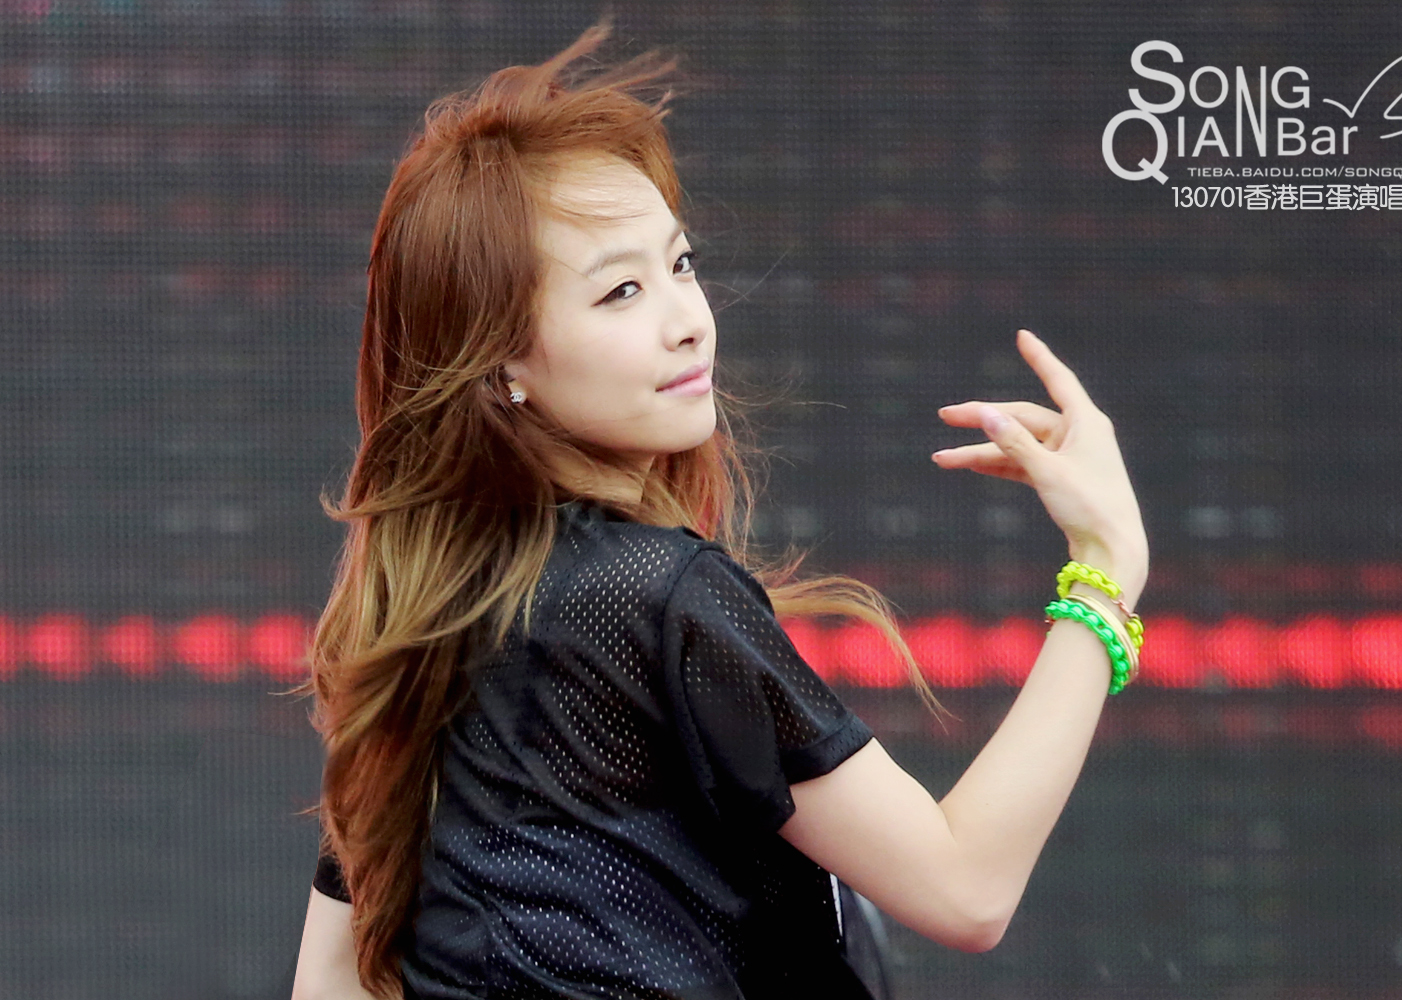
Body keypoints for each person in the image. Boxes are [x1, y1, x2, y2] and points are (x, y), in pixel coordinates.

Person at [291, 20, 1148, 1000]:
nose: (686, 319)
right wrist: (1105, 569)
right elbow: (966, 888)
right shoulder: (658, 597)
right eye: (620, 291)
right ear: (500, 366)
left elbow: (330, 980)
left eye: (681, 264)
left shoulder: (423, 615)